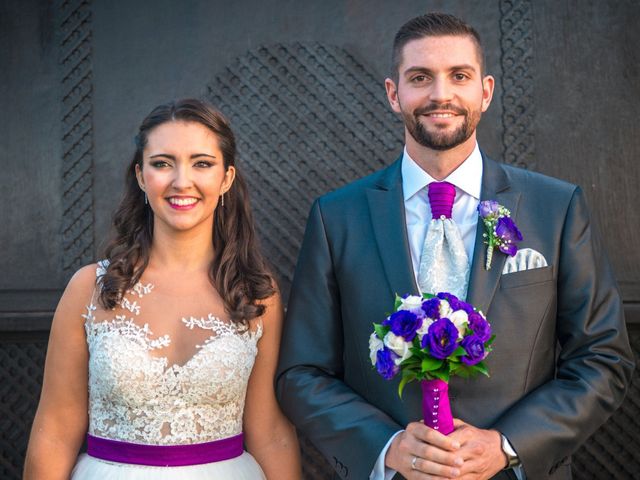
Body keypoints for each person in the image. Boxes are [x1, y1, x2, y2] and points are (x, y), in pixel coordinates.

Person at [276, 12, 634, 480]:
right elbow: (302, 372)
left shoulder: (557, 207)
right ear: (393, 93)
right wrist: (387, 447)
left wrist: (507, 445)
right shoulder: (336, 217)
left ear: (485, 91)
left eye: (458, 76)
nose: (440, 94)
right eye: (420, 77)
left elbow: (603, 356)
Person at [24, 98, 301, 479]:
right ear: (141, 176)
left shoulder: (256, 293)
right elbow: (54, 431)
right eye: (162, 163)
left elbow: (269, 431)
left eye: (201, 163)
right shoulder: (89, 288)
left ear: (226, 178)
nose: (181, 181)